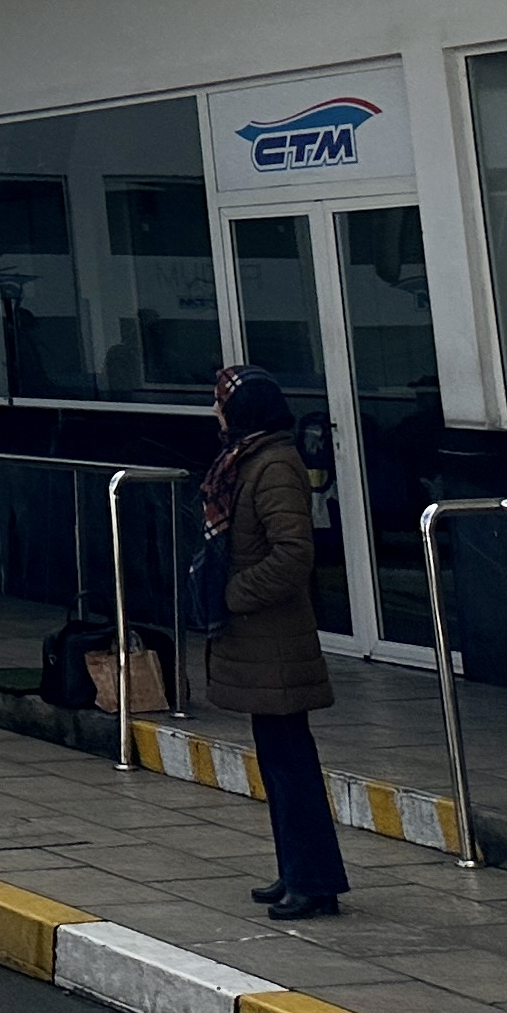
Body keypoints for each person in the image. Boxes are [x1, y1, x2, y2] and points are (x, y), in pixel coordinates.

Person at [203, 365, 349, 921]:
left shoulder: (274, 465)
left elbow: (293, 554)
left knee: (292, 767)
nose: (215, 412)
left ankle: (313, 882)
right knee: (279, 763)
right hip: (260, 642)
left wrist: (234, 593)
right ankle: (297, 872)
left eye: (221, 403)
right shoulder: (247, 459)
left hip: (275, 641)